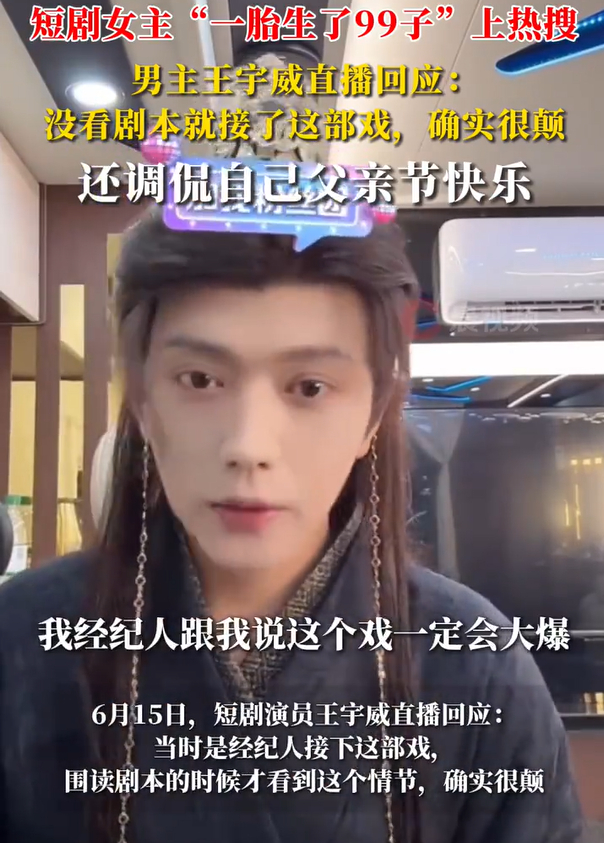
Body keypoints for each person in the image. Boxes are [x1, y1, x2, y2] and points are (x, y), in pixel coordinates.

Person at [0, 206, 584, 843]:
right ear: (143, 401)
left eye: (309, 387)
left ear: (372, 416)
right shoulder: (18, 637)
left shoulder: (478, 663)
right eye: (200, 379)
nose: (249, 445)